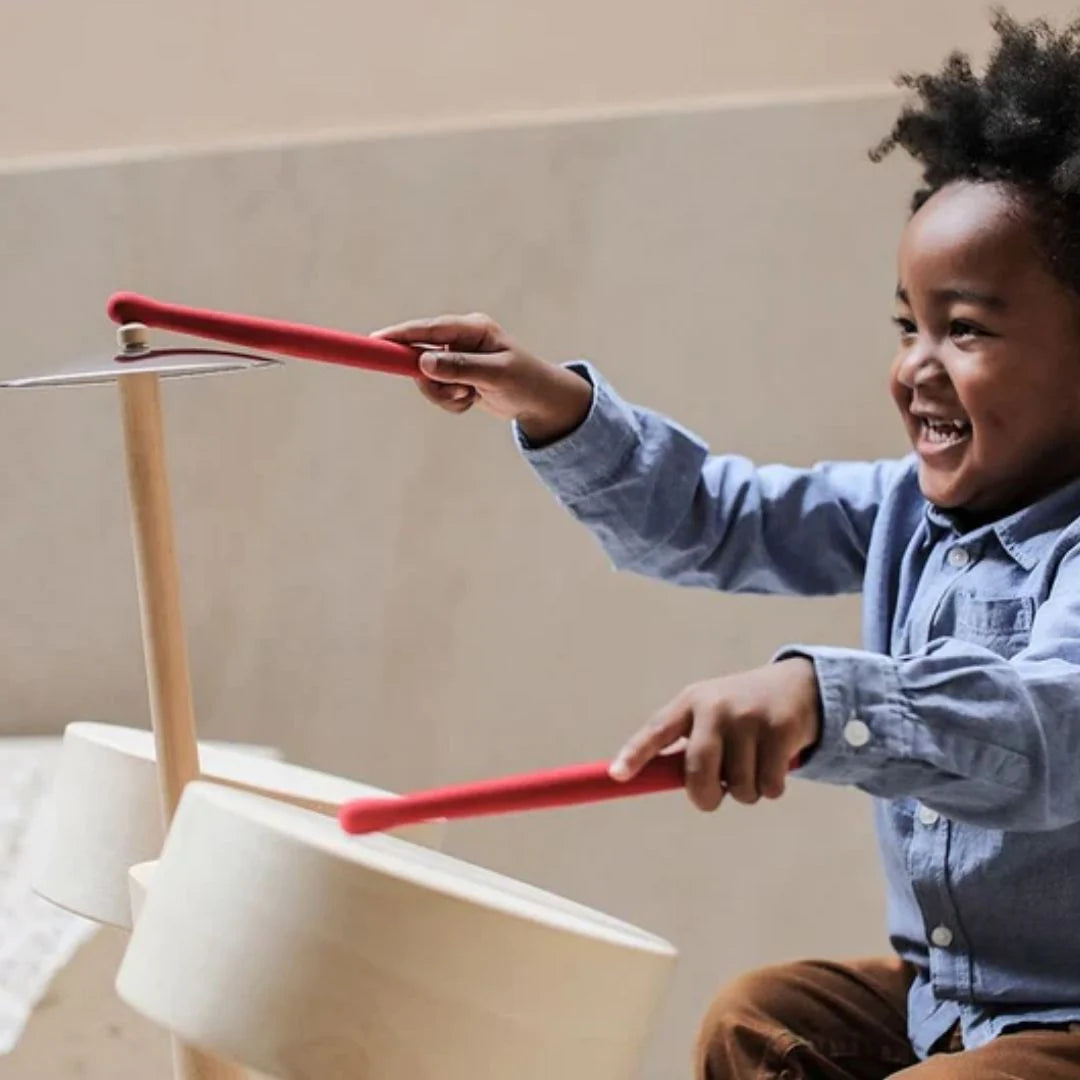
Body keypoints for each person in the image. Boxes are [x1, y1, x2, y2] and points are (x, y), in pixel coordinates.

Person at [375, 12, 1080, 1078]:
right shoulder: (904, 510)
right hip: (953, 998)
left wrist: (820, 698)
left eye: (966, 330)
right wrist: (552, 402)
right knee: (762, 1017)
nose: (918, 368)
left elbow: (1038, 729)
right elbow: (716, 515)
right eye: (908, 327)